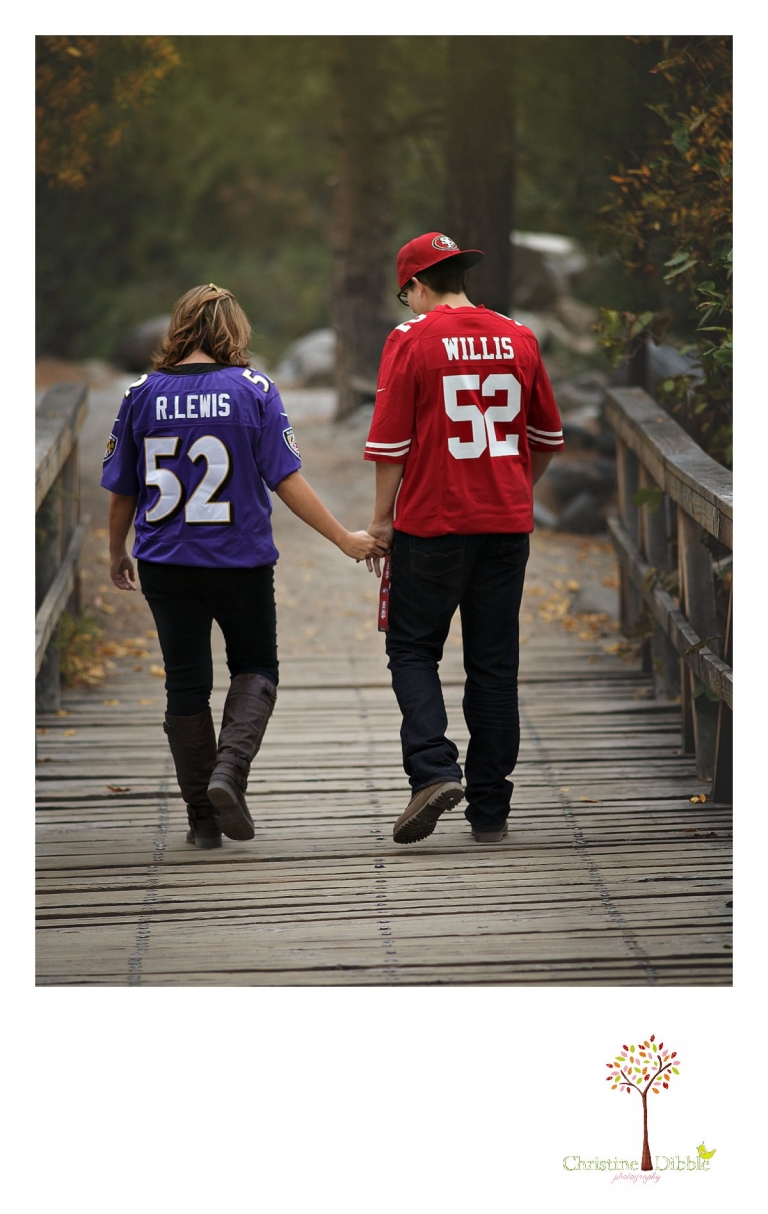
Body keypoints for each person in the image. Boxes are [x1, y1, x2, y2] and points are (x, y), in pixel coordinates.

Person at [101, 283, 386, 849]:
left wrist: (116, 551)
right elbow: (286, 478)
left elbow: (123, 489)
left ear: (180, 326)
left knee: (185, 681)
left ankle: (202, 822)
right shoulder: (254, 390)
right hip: (240, 559)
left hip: (166, 561)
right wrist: (342, 538)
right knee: (255, 666)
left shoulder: (141, 394)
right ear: (232, 330)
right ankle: (229, 772)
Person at [364, 233, 564, 845]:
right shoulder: (520, 336)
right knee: (494, 664)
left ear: (416, 286)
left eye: (405, 294)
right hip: (505, 525)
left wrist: (381, 521)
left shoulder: (411, 339)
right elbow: (546, 440)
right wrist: (512, 489)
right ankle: (491, 813)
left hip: (433, 524)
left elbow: (390, 445)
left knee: (412, 648)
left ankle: (433, 771)